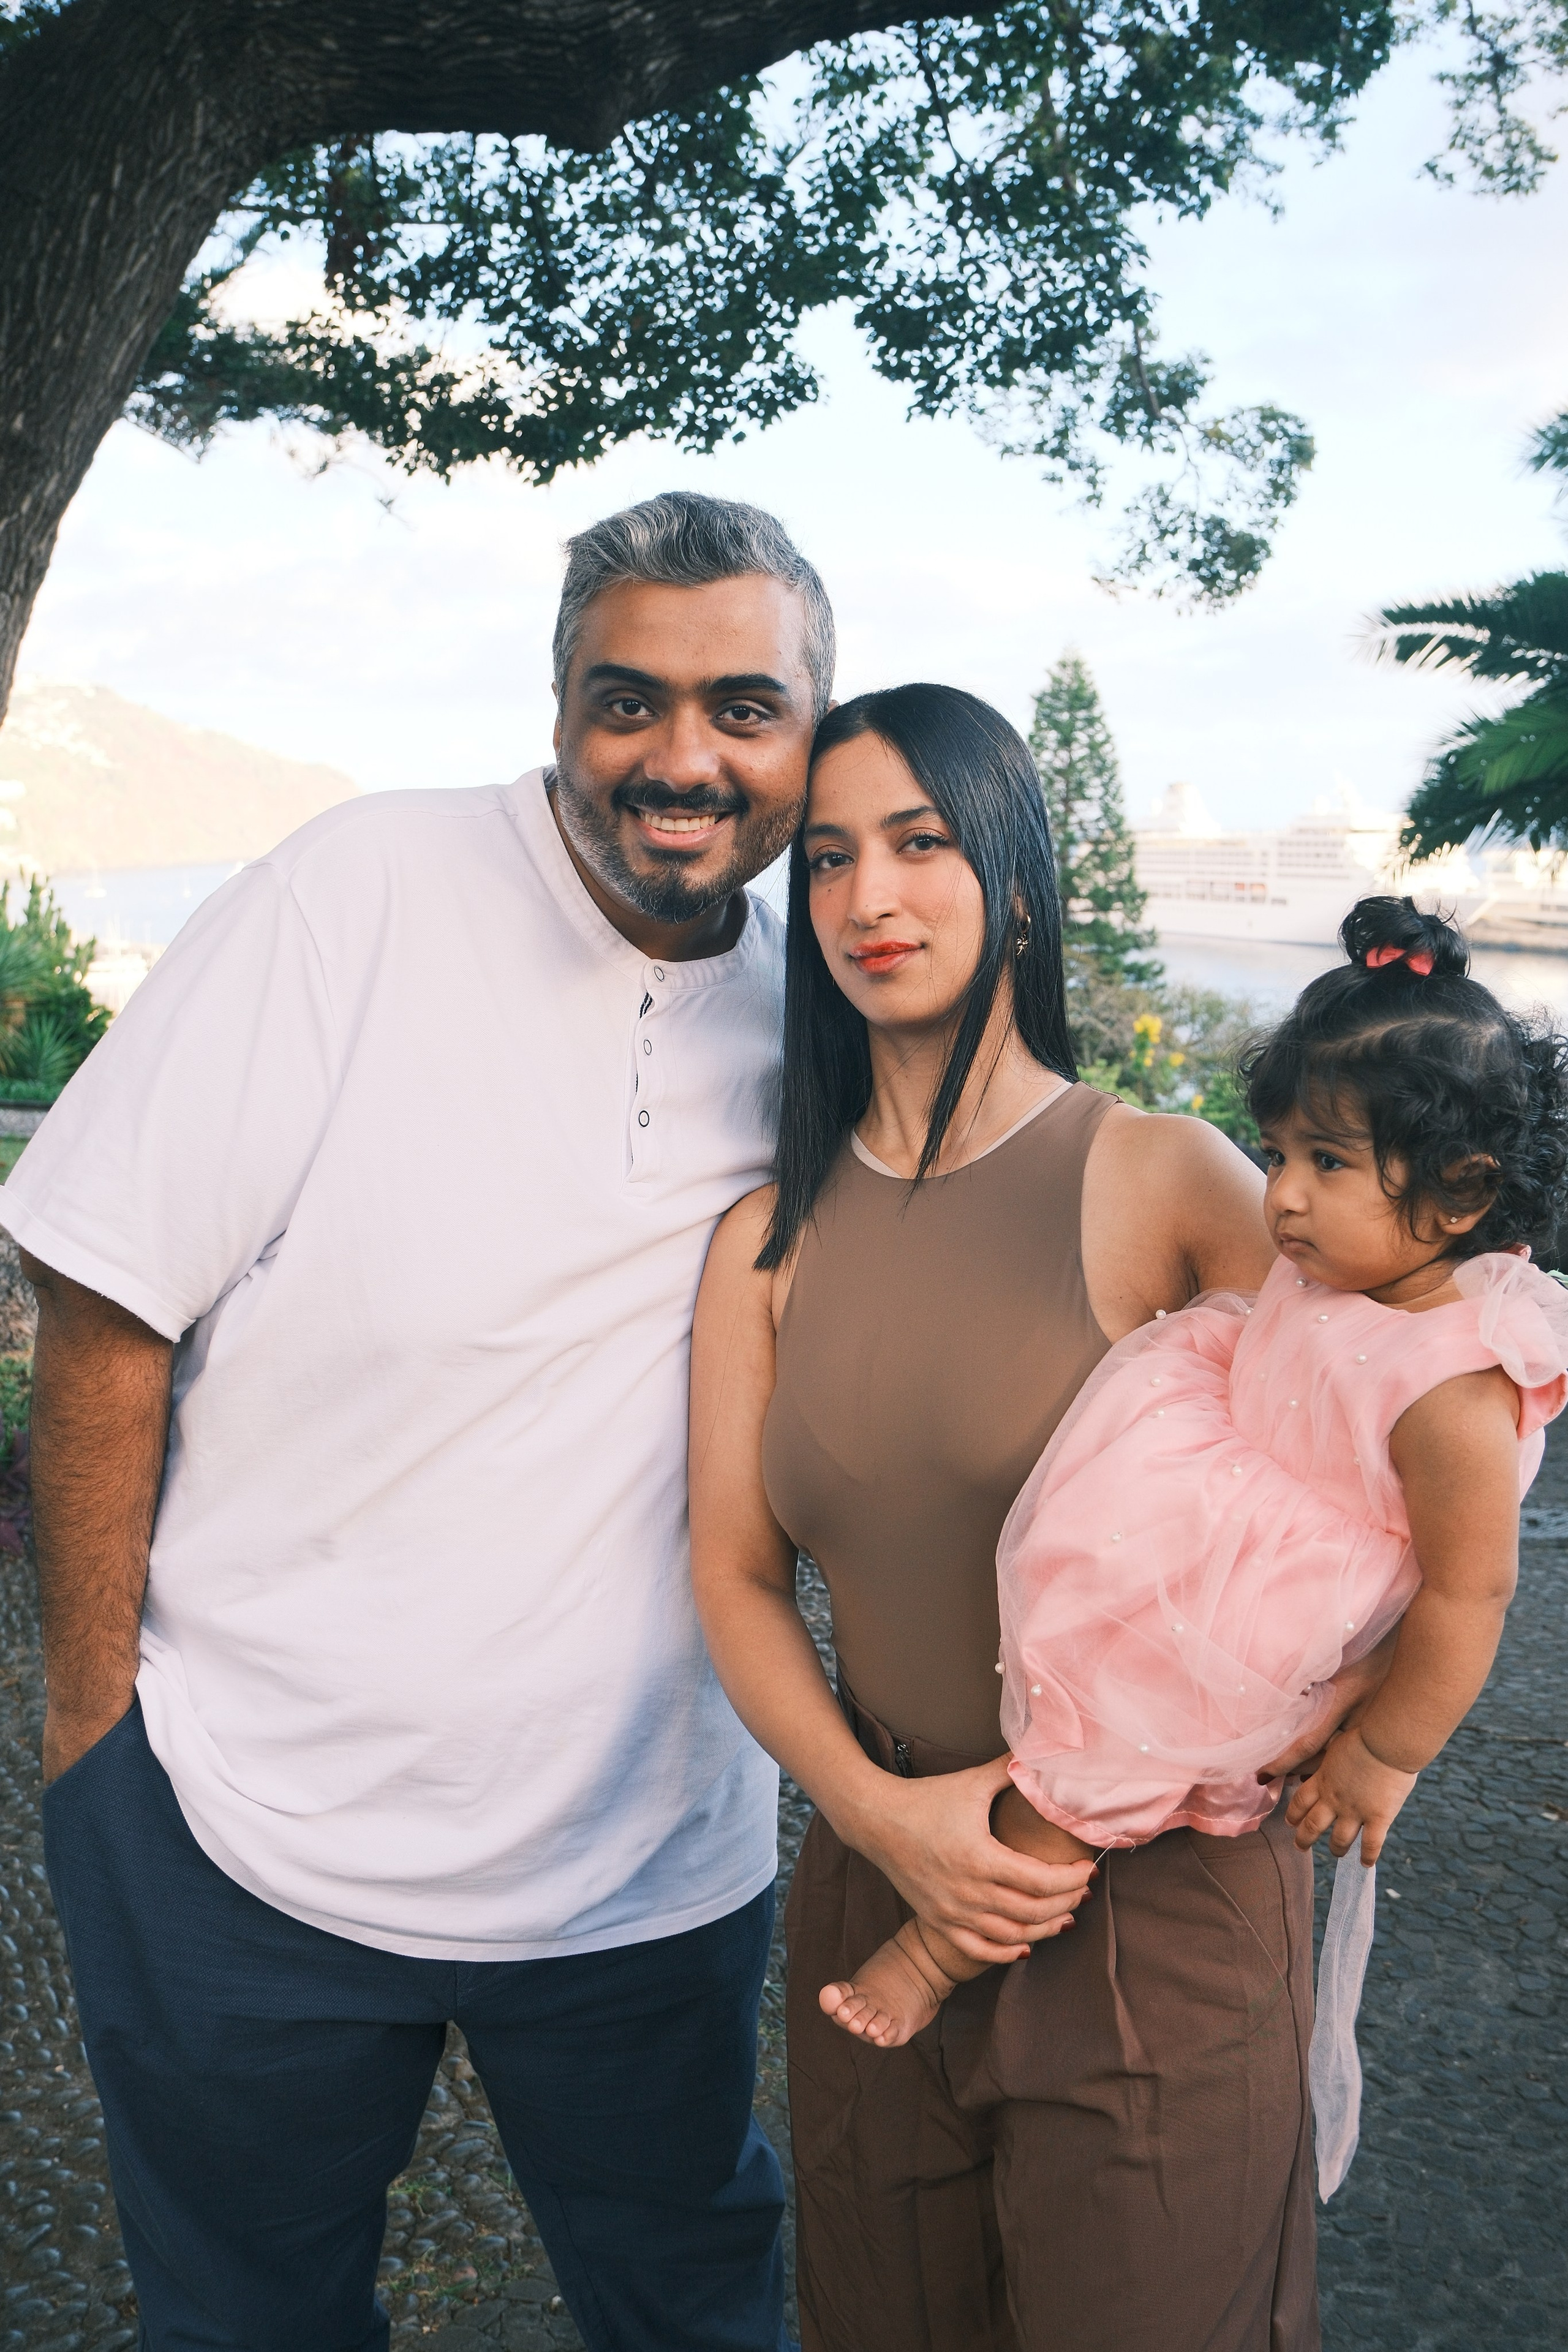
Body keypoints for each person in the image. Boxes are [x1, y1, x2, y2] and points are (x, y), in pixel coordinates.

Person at [3, 490, 832, 2352]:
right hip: (241, 1833)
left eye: (742, 709)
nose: (680, 758)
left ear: (809, 736)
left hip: (650, 1868)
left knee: (695, 2303)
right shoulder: (356, 892)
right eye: (626, 700)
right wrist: (92, 1734)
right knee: (250, 2319)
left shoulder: (826, 1013)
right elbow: (106, 1294)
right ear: (557, 703)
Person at [689, 683, 1401, 2352]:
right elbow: (731, 1574)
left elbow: (1395, 1464)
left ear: (1015, 880)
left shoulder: (1165, 1175)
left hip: (1149, 1899)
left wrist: (1362, 1717)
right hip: (881, 1876)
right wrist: (874, 1816)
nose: (869, 898)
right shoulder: (761, 1244)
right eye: (829, 858)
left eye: (920, 843)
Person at [815, 895, 1568, 2054]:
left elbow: (1473, 1589)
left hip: (1255, 1608)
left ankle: (937, 1950)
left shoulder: (1455, 1385)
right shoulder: (1343, 1275)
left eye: (1329, 1162)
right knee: (1079, 1677)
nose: (1284, 1196)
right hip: (1200, 1515)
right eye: (1279, 1156)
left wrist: (1387, 1751)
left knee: (1100, 1765)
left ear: (1461, 1191)